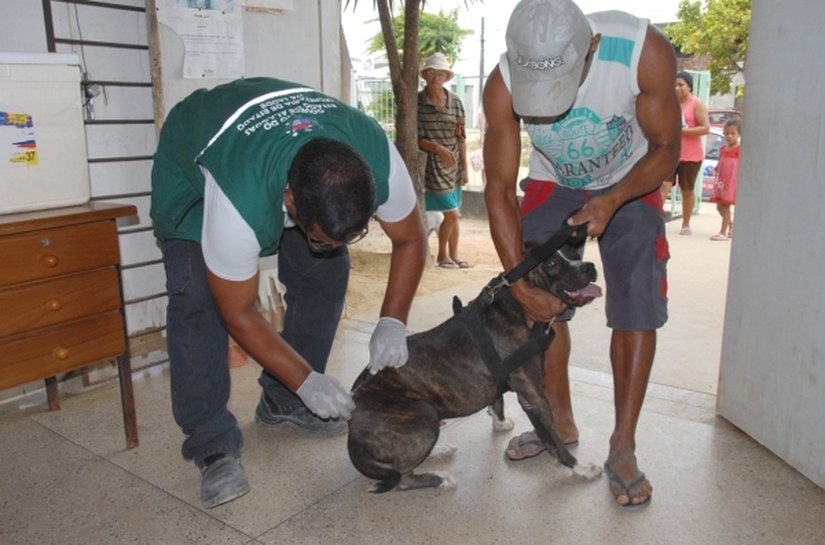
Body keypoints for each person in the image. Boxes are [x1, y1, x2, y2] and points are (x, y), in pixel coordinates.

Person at [150, 77, 427, 509]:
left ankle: (281, 403)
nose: (328, 243)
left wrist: (392, 320)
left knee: (326, 269)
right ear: (289, 202)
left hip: (275, 156)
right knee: (199, 300)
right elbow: (238, 312)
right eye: (317, 236)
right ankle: (211, 444)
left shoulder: (372, 150)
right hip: (196, 163)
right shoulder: (238, 201)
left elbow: (410, 239)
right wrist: (308, 381)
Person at [482, 0, 680, 508]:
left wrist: (612, 200)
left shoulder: (641, 50)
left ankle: (623, 446)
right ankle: (560, 423)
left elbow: (665, 148)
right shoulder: (502, 82)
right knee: (535, 302)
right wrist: (518, 281)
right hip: (555, 181)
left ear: (590, 46)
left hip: (633, 180)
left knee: (637, 302)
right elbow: (500, 188)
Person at [417, 52, 472, 269]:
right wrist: (437, 148)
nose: (436, 76)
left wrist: (465, 169)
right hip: (433, 167)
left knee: (454, 214)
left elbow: (461, 137)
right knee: (453, 214)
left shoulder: (456, 103)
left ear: (447, 77)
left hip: (454, 165)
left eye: (440, 73)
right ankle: (442, 256)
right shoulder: (418, 102)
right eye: (431, 72)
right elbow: (417, 138)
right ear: (425, 75)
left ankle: (454, 255)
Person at [660, 71, 710, 235]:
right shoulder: (670, 103)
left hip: (690, 154)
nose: (677, 88)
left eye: (681, 85)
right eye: (675, 85)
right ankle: (658, 219)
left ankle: (686, 223)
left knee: (687, 189)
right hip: (670, 151)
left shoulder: (696, 103)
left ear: (689, 86)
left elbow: (705, 128)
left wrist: (684, 131)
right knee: (664, 185)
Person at [710, 118, 741, 240]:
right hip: (722, 181)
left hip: (731, 181)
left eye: (733, 133)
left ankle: (723, 232)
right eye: (727, 133)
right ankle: (730, 224)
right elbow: (721, 162)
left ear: (739, 134)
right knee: (719, 206)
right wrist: (716, 169)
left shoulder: (739, 150)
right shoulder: (723, 149)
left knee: (726, 206)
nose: (729, 136)